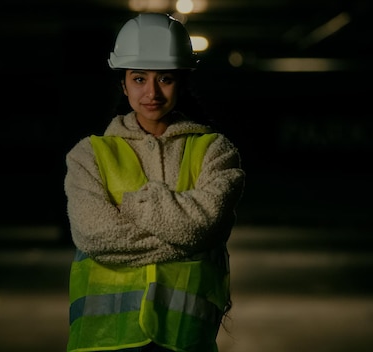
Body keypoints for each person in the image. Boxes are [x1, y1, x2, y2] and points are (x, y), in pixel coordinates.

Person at [64, 12, 246, 352]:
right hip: (104, 341)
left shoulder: (214, 151)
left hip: (184, 337)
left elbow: (205, 225)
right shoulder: (88, 155)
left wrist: (134, 205)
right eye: (138, 79)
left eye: (164, 78)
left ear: (182, 80)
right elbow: (95, 234)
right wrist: (183, 239)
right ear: (123, 83)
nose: (152, 93)